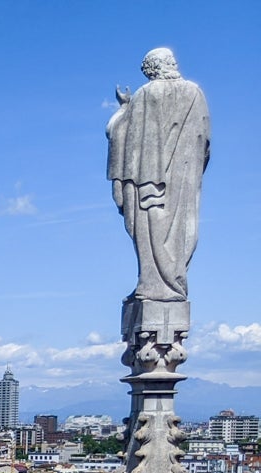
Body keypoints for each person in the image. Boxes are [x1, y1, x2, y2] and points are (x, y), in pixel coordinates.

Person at [107, 48, 210, 303]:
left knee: (145, 228)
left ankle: (152, 284)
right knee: (178, 232)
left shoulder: (144, 94)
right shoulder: (196, 93)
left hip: (145, 178)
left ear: (151, 69)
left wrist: (123, 108)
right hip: (183, 178)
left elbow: (118, 132)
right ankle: (171, 283)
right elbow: (205, 141)